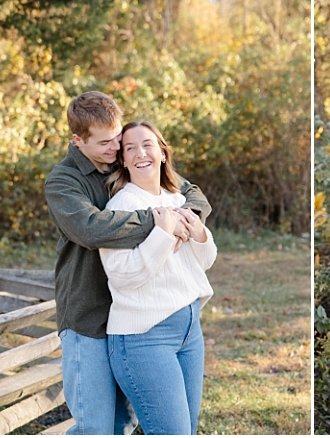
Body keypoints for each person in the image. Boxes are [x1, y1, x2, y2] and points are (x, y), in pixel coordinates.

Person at [44, 91, 211, 435]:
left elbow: (189, 191)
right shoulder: (63, 181)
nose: (117, 147)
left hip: (137, 311)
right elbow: (92, 229)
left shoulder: (126, 161)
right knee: (96, 426)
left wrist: (187, 218)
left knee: (124, 423)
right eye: (107, 142)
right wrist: (159, 219)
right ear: (78, 140)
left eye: (119, 138)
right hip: (89, 314)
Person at [101, 120, 217, 435]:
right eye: (130, 148)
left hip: (190, 330)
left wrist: (200, 235)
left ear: (163, 153)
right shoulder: (121, 207)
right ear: (122, 160)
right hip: (144, 337)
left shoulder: (178, 199)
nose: (141, 153)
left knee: (186, 430)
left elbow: (202, 263)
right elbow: (123, 276)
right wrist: (163, 234)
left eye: (148, 144)